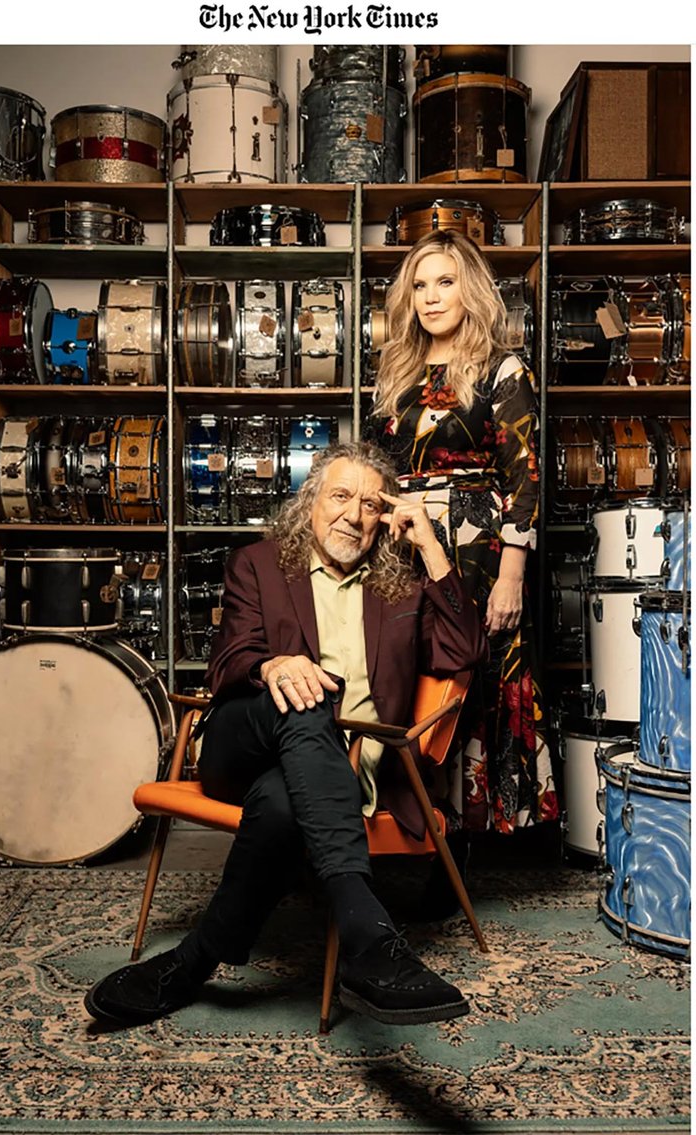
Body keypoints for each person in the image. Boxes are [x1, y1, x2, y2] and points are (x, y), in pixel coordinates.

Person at [84, 441, 486, 1028]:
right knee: (309, 690)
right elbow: (227, 663)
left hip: (337, 768)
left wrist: (430, 547)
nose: (354, 514)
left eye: (372, 505)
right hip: (242, 742)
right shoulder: (260, 563)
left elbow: (466, 651)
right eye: (340, 496)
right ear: (310, 502)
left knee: (279, 803)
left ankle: (192, 962)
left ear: (386, 519)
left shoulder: (399, 585)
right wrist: (274, 665)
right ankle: (368, 932)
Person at [364, 229, 558, 889]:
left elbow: (526, 478)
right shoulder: (396, 373)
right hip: (402, 547)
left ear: (470, 289)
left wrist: (511, 572)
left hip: (477, 554)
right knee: (411, 680)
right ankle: (416, 829)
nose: (429, 296)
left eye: (444, 281)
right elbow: (375, 467)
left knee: (471, 683)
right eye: (419, 284)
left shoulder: (503, 368)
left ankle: (467, 848)